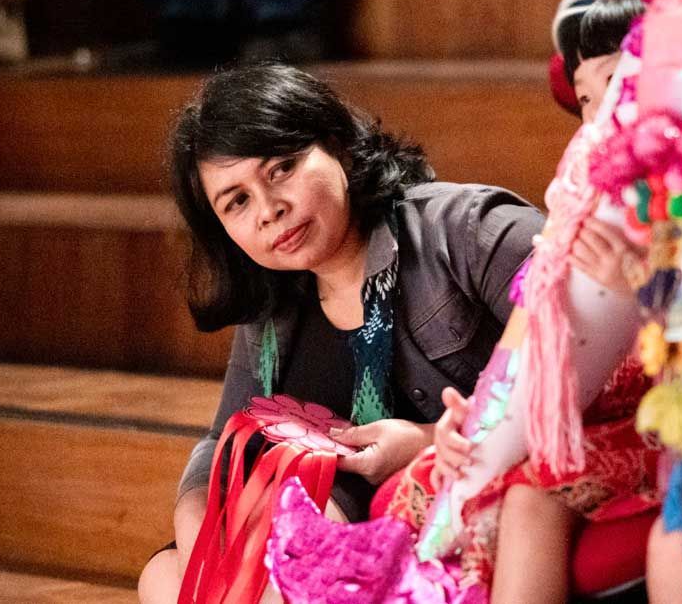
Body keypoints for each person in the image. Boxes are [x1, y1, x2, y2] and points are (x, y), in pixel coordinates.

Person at [137, 63, 545, 603]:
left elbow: (585, 373)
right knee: (164, 578)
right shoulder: (270, 297)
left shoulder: (469, 230)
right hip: (333, 519)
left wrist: (423, 444)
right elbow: (224, 438)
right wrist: (196, 514)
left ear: (341, 147)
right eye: (236, 201)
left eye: (282, 169)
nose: (269, 211)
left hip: (452, 500)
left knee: (300, 570)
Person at [421, 0, 661, 603]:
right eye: (585, 98)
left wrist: (645, 289)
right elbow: (525, 341)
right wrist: (470, 422)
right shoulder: (579, 204)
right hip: (574, 414)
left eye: (617, 83)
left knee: (530, 500)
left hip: (658, 415)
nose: (598, 115)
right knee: (433, 481)